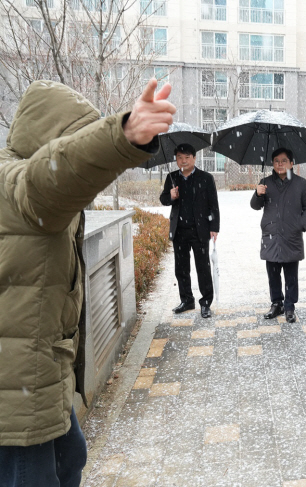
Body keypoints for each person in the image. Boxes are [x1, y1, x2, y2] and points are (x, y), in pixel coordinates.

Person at [0, 78, 175, 486]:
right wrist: (124, 136)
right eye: (75, 139)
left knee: (72, 458)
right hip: (16, 394)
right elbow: (57, 174)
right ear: (52, 141)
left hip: (39, 378)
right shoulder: (19, 187)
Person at [251, 147, 306, 323]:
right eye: (277, 161)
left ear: (291, 163)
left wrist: (300, 225)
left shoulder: (301, 183)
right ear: (272, 163)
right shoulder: (265, 182)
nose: (280, 164)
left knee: (291, 274)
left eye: (284, 161)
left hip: (291, 235)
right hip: (271, 234)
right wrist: (258, 193)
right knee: (273, 273)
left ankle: (289, 306)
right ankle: (276, 304)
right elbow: (255, 206)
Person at [160, 143, 220, 319]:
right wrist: (171, 196)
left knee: (203, 267)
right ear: (176, 159)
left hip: (199, 230)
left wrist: (214, 227)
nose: (183, 161)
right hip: (179, 230)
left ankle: (206, 302)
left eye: (187, 157)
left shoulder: (205, 178)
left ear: (194, 158)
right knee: (181, 268)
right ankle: (187, 300)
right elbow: (163, 199)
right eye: (180, 157)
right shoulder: (172, 178)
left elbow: (213, 205)